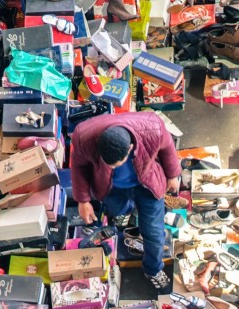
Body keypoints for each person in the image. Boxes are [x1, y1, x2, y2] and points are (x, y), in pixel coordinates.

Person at [70, 112, 181, 290]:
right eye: (108, 164)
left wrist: (173, 174)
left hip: (147, 183)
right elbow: (78, 166)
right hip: (110, 187)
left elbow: (167, 148)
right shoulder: (83, 137)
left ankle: (153, 269)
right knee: (117, 211)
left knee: (153, 233)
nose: (111, 167)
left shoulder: (153, 127)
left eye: (115, 165)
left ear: (129, 149)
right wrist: (83, 200)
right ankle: (126, 214)